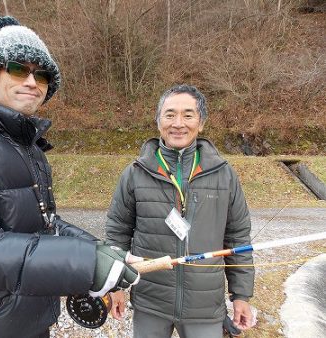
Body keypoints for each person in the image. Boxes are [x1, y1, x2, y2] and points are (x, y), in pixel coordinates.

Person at [0, 15, 139, 338]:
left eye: (43, 74)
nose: (33, 82)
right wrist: (86, 263)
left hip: (30, 322)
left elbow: (45, 224)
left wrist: (102, 253)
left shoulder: (26, 146)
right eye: (19, 69)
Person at [105, 84, 255, 338]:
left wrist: (241, 295)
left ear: (201, 122)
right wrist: (115, 286)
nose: (178, 123)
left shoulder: (224, 175)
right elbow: (117, 234)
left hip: (205, 307)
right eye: (170, 114)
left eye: (188, 115)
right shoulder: (135, 173)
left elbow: (238, 237)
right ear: (158, 121)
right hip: (150, 302)